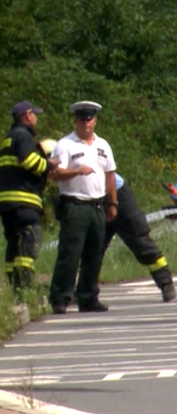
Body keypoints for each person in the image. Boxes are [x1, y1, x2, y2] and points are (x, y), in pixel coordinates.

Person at [48, 101, 117, 314]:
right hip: (75, 204)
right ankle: (60, 297)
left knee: (94, 254)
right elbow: (54, 174)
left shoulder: (103, 145)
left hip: (97, 205)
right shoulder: (65, 144)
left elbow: (110, 174)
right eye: (81, 119)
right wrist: (75, 172)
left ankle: (88, 296)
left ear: (95, 121)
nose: (85, 123)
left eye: (89, 119)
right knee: (70, 253)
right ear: (75, 121)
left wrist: (113, 203)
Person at [0, 101, 58, 294]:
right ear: (27, 116)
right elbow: (29, 161)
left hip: (8, 204)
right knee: (28, 244)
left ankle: (14, 289)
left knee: (14, 248)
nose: (36, 119)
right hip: (24, 202)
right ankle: (24, 288)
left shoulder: (8, 138)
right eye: (35, 115)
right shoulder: (23, 136)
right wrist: (49, 165)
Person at [103, 174, 176, 302]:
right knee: (91, 247)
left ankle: (166, 284)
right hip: (92, 198)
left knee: (140, 241)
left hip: (116, 193)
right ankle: (85, 291)